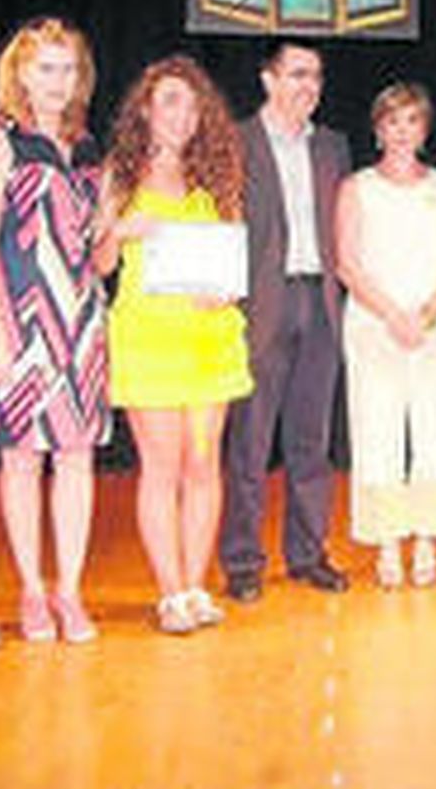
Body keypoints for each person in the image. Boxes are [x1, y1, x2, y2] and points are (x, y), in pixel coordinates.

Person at [97, 56, 252, 633]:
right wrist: (118, 231)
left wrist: (226, 292)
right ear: (145, 108)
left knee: (204, 463)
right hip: (149, 336)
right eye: (168, 101)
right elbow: (97, 263)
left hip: (210, 337)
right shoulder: (121, 173)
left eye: (189, 103)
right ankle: (170, 592)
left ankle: (195, 584)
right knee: (161, 467)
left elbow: (234, 255)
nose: (180, 114)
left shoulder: (218, 172)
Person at [0, 15, 110, 643]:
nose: (58, 80)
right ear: (21, 73)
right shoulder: (0, 142)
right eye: (46, 68)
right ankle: (31, 592)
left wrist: (121, 228)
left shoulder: (90, 149)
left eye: (68, 68)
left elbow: (100, 254)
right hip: (19, 319)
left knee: (77, 459)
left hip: (81, 323)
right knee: (22, 459)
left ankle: (70, 593)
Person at [220, 41, 351, 600]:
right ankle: (244, 562)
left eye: (316, 76)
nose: (309, 86)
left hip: (319, 306)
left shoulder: (333, 146)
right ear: (268, 79)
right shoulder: (235, 142)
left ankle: (307, 552)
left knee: (310, 441)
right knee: (248, 444)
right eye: (297, 74)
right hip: (260, 307)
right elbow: (221, 225)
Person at [336, 83, 436, 589]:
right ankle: (389, 543)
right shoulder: (355, 188)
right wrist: (394, 315)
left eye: (412, 120)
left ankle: (425, 540)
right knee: (378, 435)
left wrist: (427, 314)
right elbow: (347, 263)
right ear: (377, 130)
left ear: (424, 129)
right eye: (392, 121)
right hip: (376, 327)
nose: (401, 131)